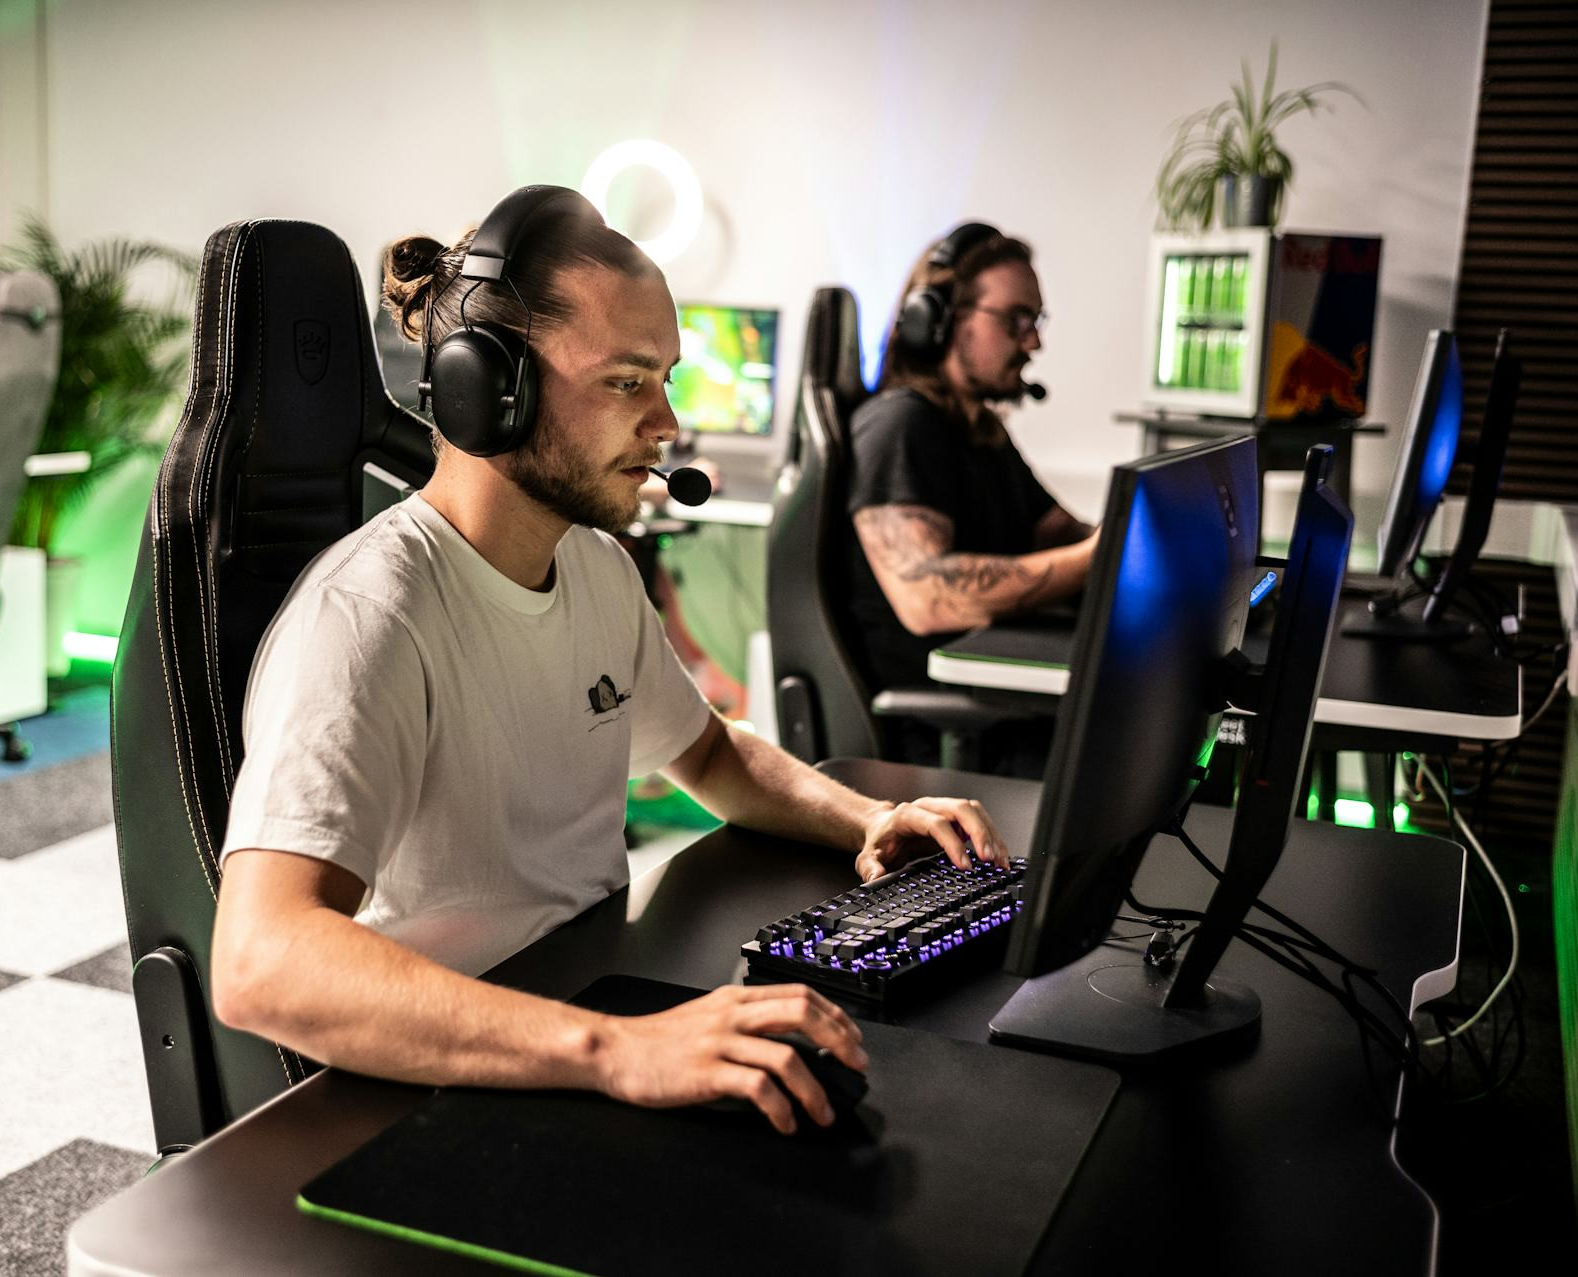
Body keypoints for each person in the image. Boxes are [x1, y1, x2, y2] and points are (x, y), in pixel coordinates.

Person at [211, 188, 1010, 1135]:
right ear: (487, 392)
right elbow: (262, 960)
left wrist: (869, 819)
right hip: (449, 1083)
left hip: (581, 1004)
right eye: (628, 382)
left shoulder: (593, 567)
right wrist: (616, 1050)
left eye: (665, 379)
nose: (666, 421)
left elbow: (708, 753)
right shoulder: (370, 615)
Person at [843, 223, 1098, 766]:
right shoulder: (900, 426)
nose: (1033, 342)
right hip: (944, 735)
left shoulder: (980, 430)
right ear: (937, 320)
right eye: (1016, 320)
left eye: (1036, 322)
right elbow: (927, 598)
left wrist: (1145, 537)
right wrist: (1101, 555)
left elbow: (1057, 531)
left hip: (998, 706)